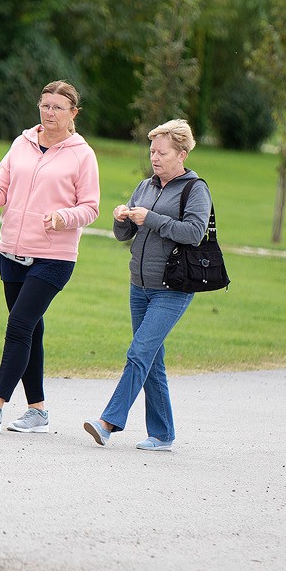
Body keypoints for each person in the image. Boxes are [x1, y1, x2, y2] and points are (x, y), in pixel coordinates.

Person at [0, 81, 100, 434]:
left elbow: (90, 208)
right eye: (45, 105)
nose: (49, 113)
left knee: (19, 325)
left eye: (58, 107)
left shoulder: (82, 154)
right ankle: (37, 411)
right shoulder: (21, 143)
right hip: (10, 251)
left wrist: (62, 217)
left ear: (74, 114)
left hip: (54, 256)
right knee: (31, 331)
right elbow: (0, 186)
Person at [84, 119, 211, 453]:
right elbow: (124, 236)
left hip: (173, 289)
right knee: (151, 359)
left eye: (162, 152)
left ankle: (108, 423)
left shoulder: (194, 189)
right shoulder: (145, 186)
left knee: (139, 352)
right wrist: (120, 218)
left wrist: (151, 220)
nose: (155, 157)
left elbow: (194, 232)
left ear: (181, 153)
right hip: (139, 286)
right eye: (152, 150)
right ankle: (163, 434)